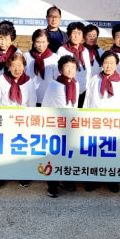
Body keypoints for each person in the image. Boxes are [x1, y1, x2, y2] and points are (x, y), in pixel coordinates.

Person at [0, 52, 37, 190]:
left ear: (24, 66)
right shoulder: (1, 80)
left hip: (22, 121)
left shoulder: (29, 81)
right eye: (14, 65)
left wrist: (28, 120)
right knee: (2, 150)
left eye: (20, 65)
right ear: (8, 66)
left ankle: (22, 175)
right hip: (5, 120)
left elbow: (32, 102)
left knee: (21, 149)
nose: (17, 69)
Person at [84, 51, 120, 193]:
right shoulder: (95, 79)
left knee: (111, 152)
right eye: (106, 62)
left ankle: (112, 180)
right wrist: (85, 119)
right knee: (94, 152)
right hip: (95, 123)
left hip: (112, 124)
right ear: (102, 64)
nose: (109, 66)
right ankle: (93, 179)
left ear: (116, 65)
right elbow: (88, 100)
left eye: (112, 63)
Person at [42, 55, 79, 198]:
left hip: (70, 127)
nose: (70, 70)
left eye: (73, 67)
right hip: (55, 127)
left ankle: (65, 180)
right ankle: (52, 185)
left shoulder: (76, 84)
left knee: (68, 155)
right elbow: (45, 106)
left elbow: (75, 106)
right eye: (67, 67)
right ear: (60, 69)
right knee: (54, 156)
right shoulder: (54, 85)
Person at [57, 22, 91, 107]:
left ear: (83, 36)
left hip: (84, 89)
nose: (76, 36)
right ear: (69, 35)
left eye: (79, 33)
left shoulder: (85, 51)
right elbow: (58, 71)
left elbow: (88, 71)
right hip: (68, 88)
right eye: (74, 33)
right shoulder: (62, 50)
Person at [24, 29, 59, 106]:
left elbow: (57, 79)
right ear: (34, 42)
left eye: (43, 42)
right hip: (30, 96)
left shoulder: (54, 58)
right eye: (38, 42)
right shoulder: (27, 56)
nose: (41, 45)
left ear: (48, 42)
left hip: (48, 97)